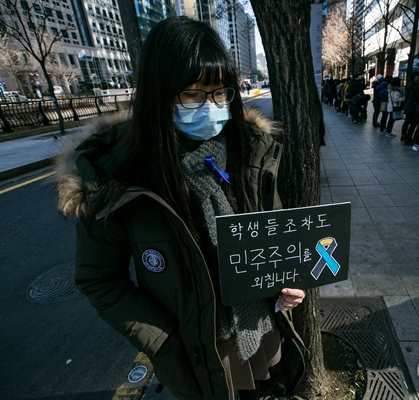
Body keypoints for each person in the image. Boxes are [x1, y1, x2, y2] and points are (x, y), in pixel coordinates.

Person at [53, 17, 306, 400]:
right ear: (160, 93)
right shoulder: (115, 177)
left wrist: (286, 284)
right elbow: (99, 279)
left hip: (262, 325)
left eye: (221, 93)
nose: (212, 107)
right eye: (193, 94)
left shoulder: (249, 151)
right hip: (196, 348)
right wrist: (164, 339)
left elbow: (275, 236)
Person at [400, 71, 419, 144]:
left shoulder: (410, 85)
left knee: (407, 121)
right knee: (413, 123)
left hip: (408, 105)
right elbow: (417, 97)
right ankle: (408, 137)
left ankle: (404, 136)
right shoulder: (417, 86)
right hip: (413, 107)